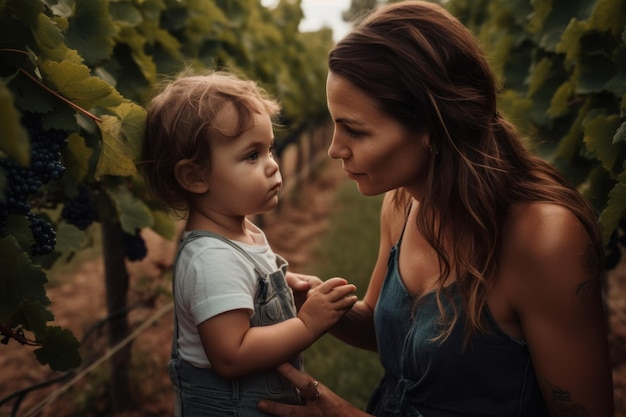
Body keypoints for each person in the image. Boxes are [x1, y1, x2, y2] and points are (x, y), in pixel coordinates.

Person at [256, 1, 614, 416]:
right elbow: (388, 326)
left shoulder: (544, 239)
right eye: (335, 125)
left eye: (354, 129)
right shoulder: (403, 202)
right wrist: (318, 305)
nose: (335, 148)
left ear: (432, 124)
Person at [140, 69, 358, 416]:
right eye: (252, 155)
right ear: (195, 176)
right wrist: (307, 324)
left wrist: (277, 286)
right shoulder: (211, 258)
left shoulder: (243, 234)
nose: (272, 165)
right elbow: (231, 354)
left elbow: (242, 286)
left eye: (269, 149)